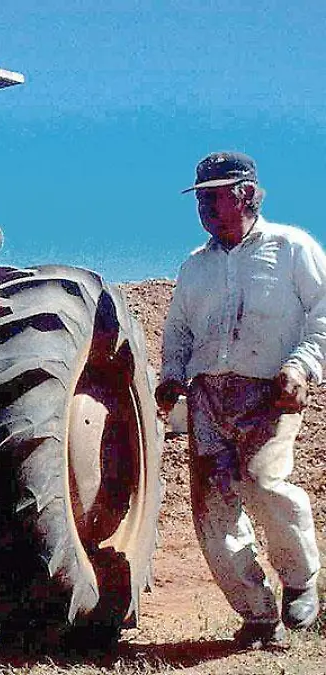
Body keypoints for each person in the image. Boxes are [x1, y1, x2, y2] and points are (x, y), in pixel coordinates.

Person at [158, 151, 324, 650]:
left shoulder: (291, 248)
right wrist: (171, 376)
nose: (205, 207)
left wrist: (302, 366)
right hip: (208, 397)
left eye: (215, 196)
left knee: (265, 483)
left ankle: (299, 578)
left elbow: (322, 312)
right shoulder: (195, 266)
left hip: (269, 391)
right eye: (200, 198)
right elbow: (179, 331)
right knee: (212, 511)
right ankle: (256, 615)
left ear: (247, 194)